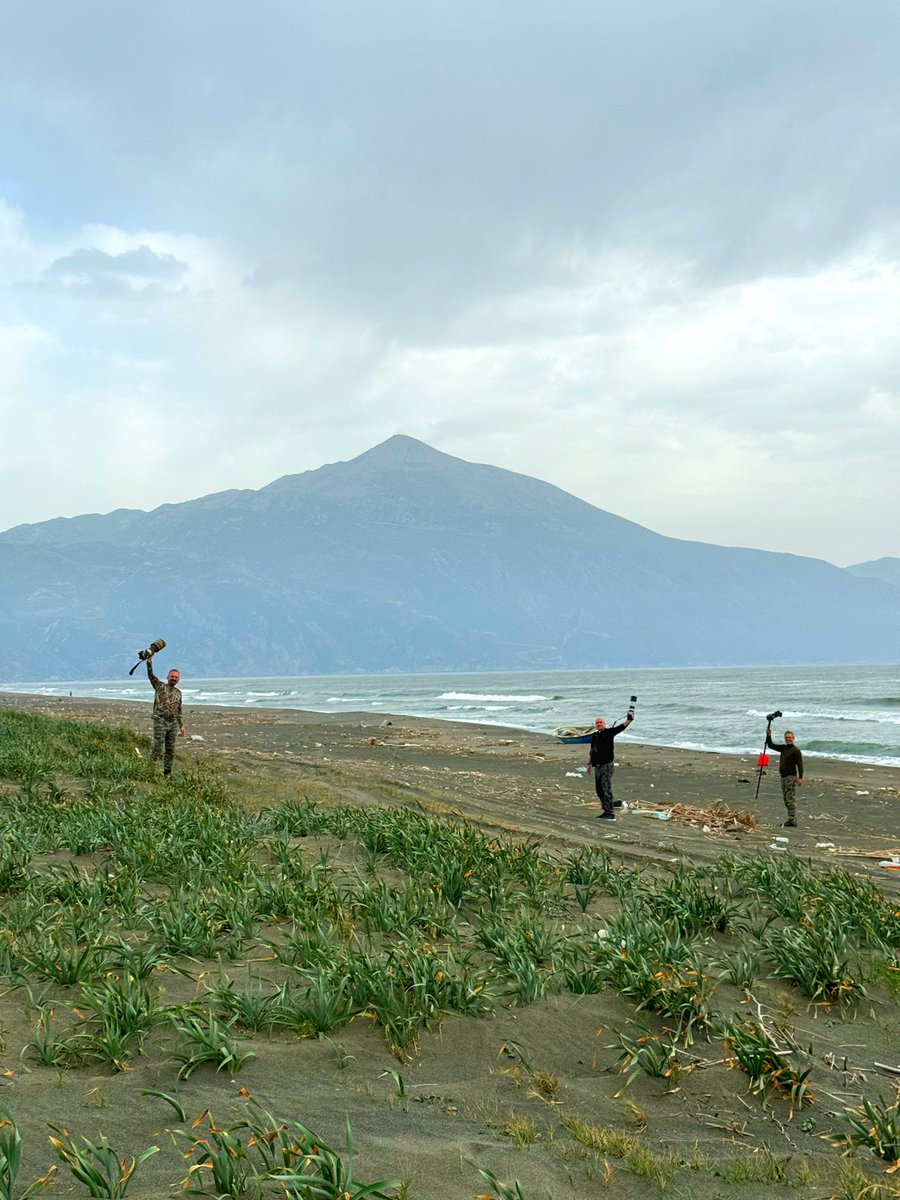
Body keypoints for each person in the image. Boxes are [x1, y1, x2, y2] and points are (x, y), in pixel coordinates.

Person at [587, 711, 634, 820]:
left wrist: (630, 720)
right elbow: (592, 751)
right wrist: (589, 764)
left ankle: (609, 813)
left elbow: (621, 727)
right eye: (597, 722)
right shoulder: (595, 735)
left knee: (605, 788)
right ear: (595, 725)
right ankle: (609, 804)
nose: (599, 724)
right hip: (597, 765)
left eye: (601, 722)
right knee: (599, 790)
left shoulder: (609, 732)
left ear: (604, 724)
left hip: (607, 765)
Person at [146, 654, 185, 776]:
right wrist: (149, 662)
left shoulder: (179, 693)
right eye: (172, 676)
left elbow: (179, 711)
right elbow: (151, 676)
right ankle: (149, 770)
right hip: (160, 721)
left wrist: (182, 726)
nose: (174, 678)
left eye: (176, 677)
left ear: (178, 680)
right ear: (167, 677)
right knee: (157, 746)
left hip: (172, 724)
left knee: (170, 749)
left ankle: (167, 773)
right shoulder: (160, 686)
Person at [765, 723, 804, 827]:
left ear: (793, 738)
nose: (788, 739)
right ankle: (791, 819)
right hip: (783, 778)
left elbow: (800, 765)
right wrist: (769, 735)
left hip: (791, 777)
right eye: (787, 738)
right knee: (785, 799)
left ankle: (793, 820)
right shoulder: (783, 748)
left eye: (790, 737)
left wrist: (800, 778)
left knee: (790, 799)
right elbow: (771, 745)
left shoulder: (796, 751)